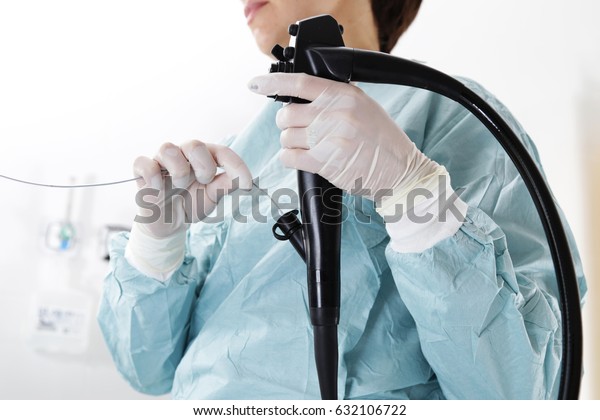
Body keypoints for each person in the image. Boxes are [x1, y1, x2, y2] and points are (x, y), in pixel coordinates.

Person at [97, 0, 586, 399]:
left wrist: (411, 191)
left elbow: (520, 392)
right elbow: (148, 370)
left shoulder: (453, 114)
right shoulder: (244, 148)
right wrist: (157, 244)